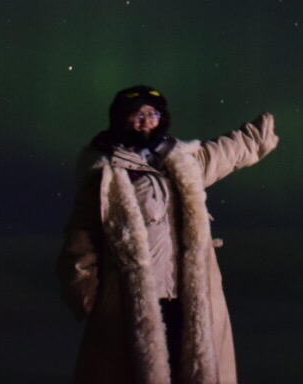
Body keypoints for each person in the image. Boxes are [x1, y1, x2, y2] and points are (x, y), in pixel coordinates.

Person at [58, 85, 279, 384]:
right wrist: (87, 294)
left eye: (153, 113)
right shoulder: (107, 174)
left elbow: (226, 152)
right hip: (132, 302)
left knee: (191, 368)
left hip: (187, 297)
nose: (146, 120)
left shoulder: (183, 161)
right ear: (121, 119)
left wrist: (259, 135)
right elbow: (81, 238)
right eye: (137, 114)